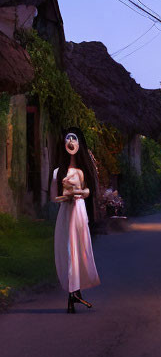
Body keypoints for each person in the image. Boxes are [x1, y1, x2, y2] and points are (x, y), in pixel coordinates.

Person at [51, 127, 100, 313]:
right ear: (64, 144)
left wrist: (79, 193)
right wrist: (66, 197)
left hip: (79, 213)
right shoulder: (58, 172)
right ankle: (73, 294)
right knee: (69, 251)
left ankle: (76, 293)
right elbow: (54, 197)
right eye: (68, 140)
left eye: (74, 139)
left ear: (79, 143)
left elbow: (89, 190)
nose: (71, 143)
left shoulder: (82, 171)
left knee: (79, 250)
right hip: (66, 212)